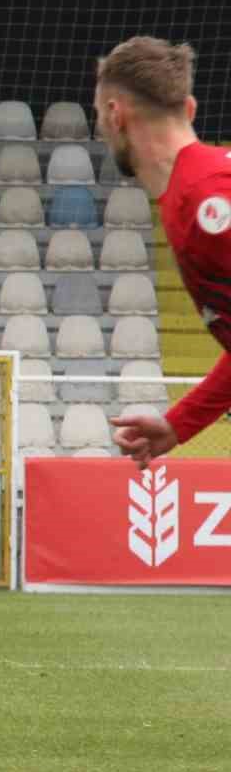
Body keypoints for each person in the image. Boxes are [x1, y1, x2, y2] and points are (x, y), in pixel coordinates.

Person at [94, 39, 231, 468]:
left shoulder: (207, 200)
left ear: (116, 116)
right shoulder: (192, 192)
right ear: (188, 109)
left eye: (99, 116)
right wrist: (177, 424)